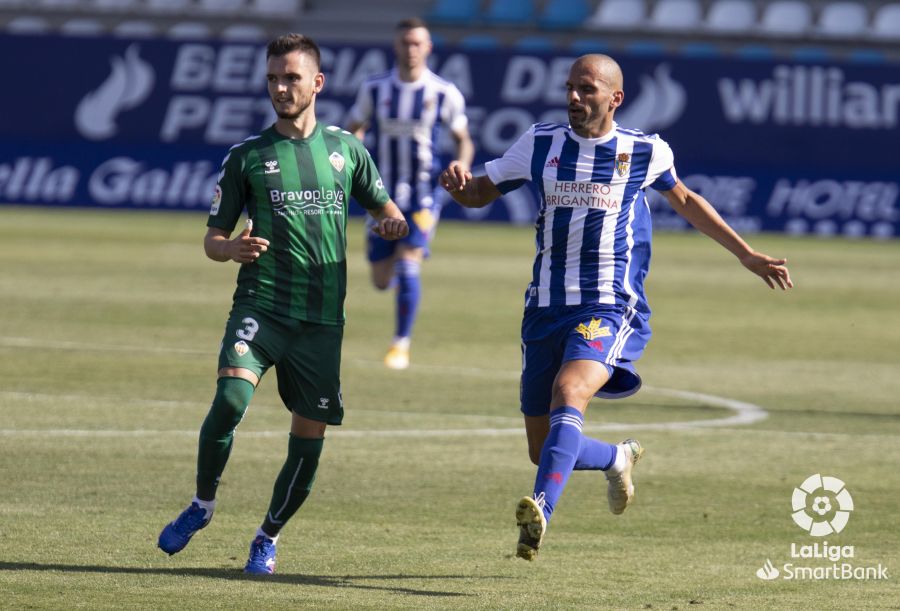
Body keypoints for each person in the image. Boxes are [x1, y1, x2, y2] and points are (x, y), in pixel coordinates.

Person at [439, 54, 793, 561]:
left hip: (608, 304)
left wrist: (746, 254)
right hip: (543, 307)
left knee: (570, 390)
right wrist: (459, 189)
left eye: (587, 89)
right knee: (544, 451)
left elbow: (688, 201)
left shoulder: (643, 151)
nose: (575, 98)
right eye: (570, 88)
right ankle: (615, 457)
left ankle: (541, 510)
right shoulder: (540, 143)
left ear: (615, 98)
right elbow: (479, 192)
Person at [157, 33, 408, 575]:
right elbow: (211, 240)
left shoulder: (346, 151)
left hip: (321, 323)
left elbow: (391, 212)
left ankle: (266, 536)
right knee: (228, 399)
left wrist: (391, 222)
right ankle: (202, 504)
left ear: (317, 83)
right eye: (273, 77)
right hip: (262, 306)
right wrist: (231, 248)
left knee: (308, 439)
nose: (280, 87)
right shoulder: (246, 157)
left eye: (291, 77)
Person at [346, 17, 474, 370]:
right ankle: (394, 283)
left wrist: (461, 166)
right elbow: (353, 128)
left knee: (409, 261)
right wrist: (354, 163)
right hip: (381, 196)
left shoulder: (443, 93)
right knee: (380, 278)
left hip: (422, 196)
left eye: (418, 43)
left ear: (428, 48)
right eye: (405, 42)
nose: (411, 49)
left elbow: (463, 139)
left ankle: (400, 344)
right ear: (396, 46)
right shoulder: (374, 89)